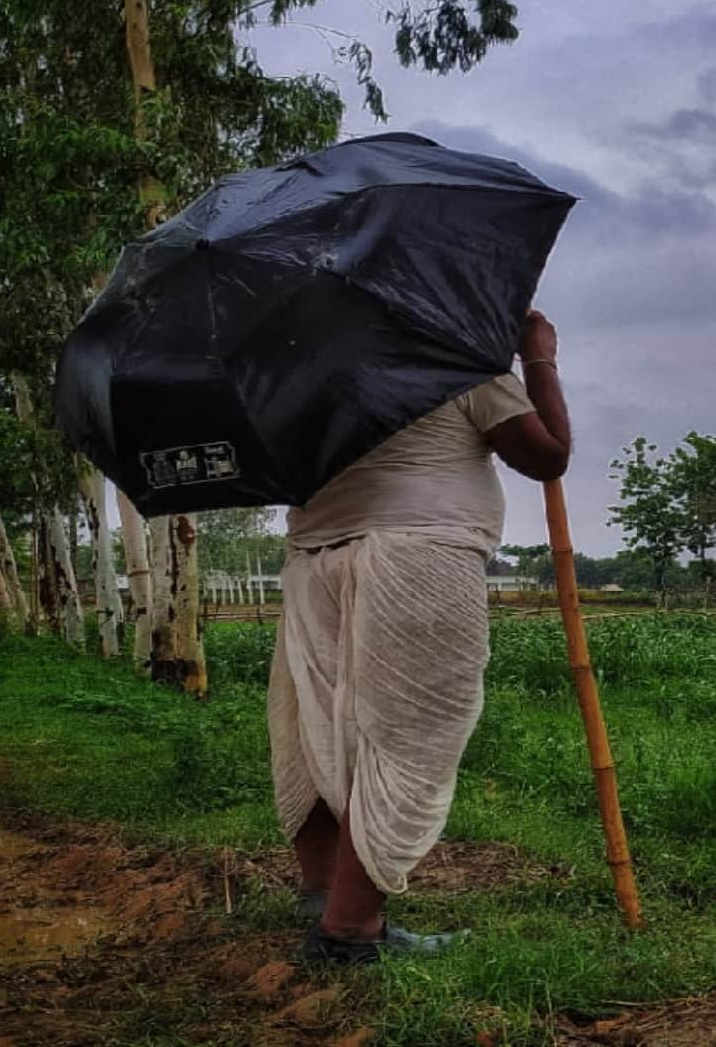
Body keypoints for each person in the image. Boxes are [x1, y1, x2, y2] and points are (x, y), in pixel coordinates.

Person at [269, 309, 571, 965]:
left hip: (312, 560)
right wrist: (538, 357)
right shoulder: (453, 358)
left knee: (317, 722)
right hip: (419, 560)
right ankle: (349, 931)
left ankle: (322, 894)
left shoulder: (300, 370)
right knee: (408, 739)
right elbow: (547, 455)